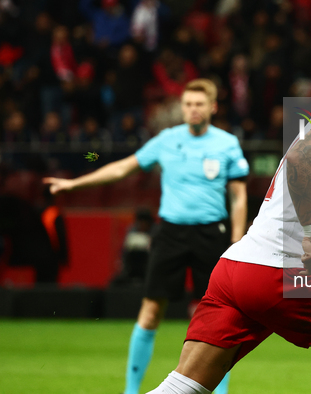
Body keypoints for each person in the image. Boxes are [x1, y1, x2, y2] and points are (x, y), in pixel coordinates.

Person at [146, 29, 311, 394]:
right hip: (281, 270)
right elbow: (301, 161)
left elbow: (303, 181)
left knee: (183, 385)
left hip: (236, 269)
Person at [43, 79, 249, 394]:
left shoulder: (226, 143)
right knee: (151, 311)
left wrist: (236, 240)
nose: (193, 110)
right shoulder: (166, 140)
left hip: (212, 233)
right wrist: (73, 185)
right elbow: (122, 168)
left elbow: (238, 196)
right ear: (182, 107)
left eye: (199, 104)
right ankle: (130, 390)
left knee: (219, 319)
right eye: (188, 104)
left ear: (213, 107)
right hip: (170, 232)